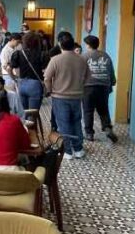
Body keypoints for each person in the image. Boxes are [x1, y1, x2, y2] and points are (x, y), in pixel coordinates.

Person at [43, 31, 89, 159]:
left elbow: (47, 78)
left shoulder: (55, 60)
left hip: (60, 97)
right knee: (76, 122)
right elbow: (87, 77)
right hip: (77, 97)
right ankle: (78, 149)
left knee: (64, 123)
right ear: (73, 44)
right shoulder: (82, 59)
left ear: (59, 44)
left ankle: (67, 151)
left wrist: (49, 90)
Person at [83, 35, 118, 143]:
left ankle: (89, 133)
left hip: (88, 87)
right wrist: (112, 82)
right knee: (103, 110)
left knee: (88, 110)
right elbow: (111, 71)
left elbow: (80, 72)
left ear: (88, 45)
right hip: (104, 87)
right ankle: (107, 128)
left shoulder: (84, 56)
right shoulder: (106, 56)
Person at [10, 31, 46, 112]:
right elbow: (46, 71)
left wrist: (14, 78)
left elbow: (9, 68)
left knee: (23, 113)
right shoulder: (42, 55)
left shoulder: (18, 53)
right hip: (35, 84)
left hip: (22, 83)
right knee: (33, 113)